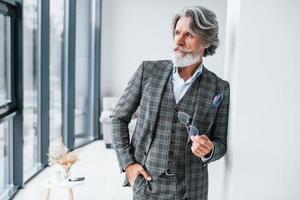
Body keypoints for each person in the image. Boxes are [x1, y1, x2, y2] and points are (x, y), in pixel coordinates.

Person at [111, 6, 230, 200]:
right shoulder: (148, 71)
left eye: (188, 35)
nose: (178, 41)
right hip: (146, 184)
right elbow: (118, 118)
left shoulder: (219, 88)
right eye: (177, 33)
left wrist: (210, 150)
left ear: (206, 42)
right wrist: (128, 165)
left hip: (192, 191)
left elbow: (221, 142)